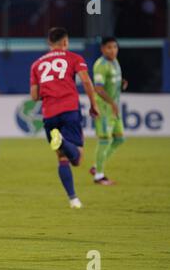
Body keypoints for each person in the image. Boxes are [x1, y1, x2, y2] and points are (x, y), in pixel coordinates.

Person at [30, 27, 99, 209]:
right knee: (77, 159)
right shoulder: (74, 58)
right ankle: (61, 141)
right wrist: (93, 104)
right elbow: (85, 81)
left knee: (61, 158)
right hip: (69, 109)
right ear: (65, 42)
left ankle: (73, 199)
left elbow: (34, 96)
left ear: (49, 43)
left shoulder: (36, 64)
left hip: (49, 114)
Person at [90, 37, 127, 185]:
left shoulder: (115, 62)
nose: (113, 50)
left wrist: (121, 82)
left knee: (119, 139)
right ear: (102, 49)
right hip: (104, 109)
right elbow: (98, 88)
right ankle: (99, 176)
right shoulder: (101, 65)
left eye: (115, 47)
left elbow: (111, 81)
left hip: (113, 108)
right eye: (109, 47)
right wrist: (112, 103)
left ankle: (96, 166)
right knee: (104, 140)